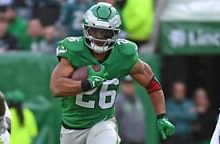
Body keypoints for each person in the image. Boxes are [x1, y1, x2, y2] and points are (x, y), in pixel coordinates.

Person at [50, 2, 175, 144]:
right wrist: (88, 83)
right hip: (72, 127)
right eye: (94, 30)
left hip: (103, 122)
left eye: (105, 33)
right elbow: (56, 88)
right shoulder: (74, 51)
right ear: (85, 29)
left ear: (115, 33)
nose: (98, 36)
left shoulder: (124, 54)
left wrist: (161, 115)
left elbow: (152, 84)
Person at [115, 75, 146, 144]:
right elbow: (114, 121)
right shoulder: (118, 100)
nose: (128, 86)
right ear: (122, 85)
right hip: (125, 141)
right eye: (126, 83)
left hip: (139, 140)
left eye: (130, 83)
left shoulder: (137, 98)